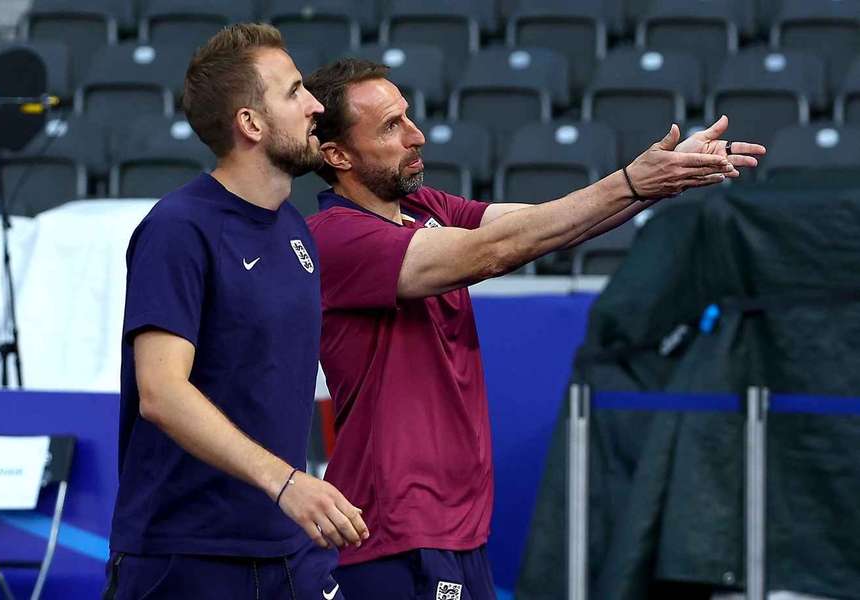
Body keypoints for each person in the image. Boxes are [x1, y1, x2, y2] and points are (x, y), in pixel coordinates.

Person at [303, 58, 766, 599]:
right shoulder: (333, 237)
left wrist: (653, 185)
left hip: (457, 528)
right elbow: (496, 250)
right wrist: (631, 182)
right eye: (390, 126)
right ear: (337, 156)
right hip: (393, 533)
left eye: (407, 117)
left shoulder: (421, 206)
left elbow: (539, 223)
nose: (416, 135)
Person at [103, 24, 368, 600]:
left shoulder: (296, 230)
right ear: (250, 123)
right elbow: (161, 392)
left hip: (290, 547)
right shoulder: (178, 229)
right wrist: (287, 483)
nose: (316, 106)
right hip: (188, 555)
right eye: (294, 92)